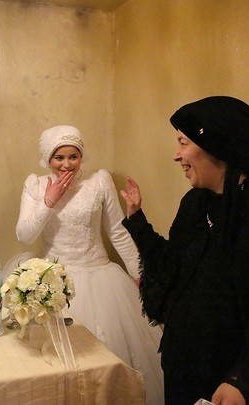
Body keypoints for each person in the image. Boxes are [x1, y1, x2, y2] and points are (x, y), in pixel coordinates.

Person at [120, 96, 249, 404]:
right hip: (184, 370)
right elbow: (174, 267)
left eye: (183, 143)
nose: (177, 155)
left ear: (216, 146)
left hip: (236, 384)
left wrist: (242, 381)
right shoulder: (195, 203)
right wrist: (136, 220)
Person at [15, 125, 164, 404]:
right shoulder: (35, 184)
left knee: (105, 361)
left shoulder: (99, 181)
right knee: (56, 365)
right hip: (53, 280)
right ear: (47, 158)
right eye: (59, 158)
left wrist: (139, 274)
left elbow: (118, 232)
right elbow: (24, 235)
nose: (67, 164)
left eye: (74, 156)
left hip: (100, 277)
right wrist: (48, 202)